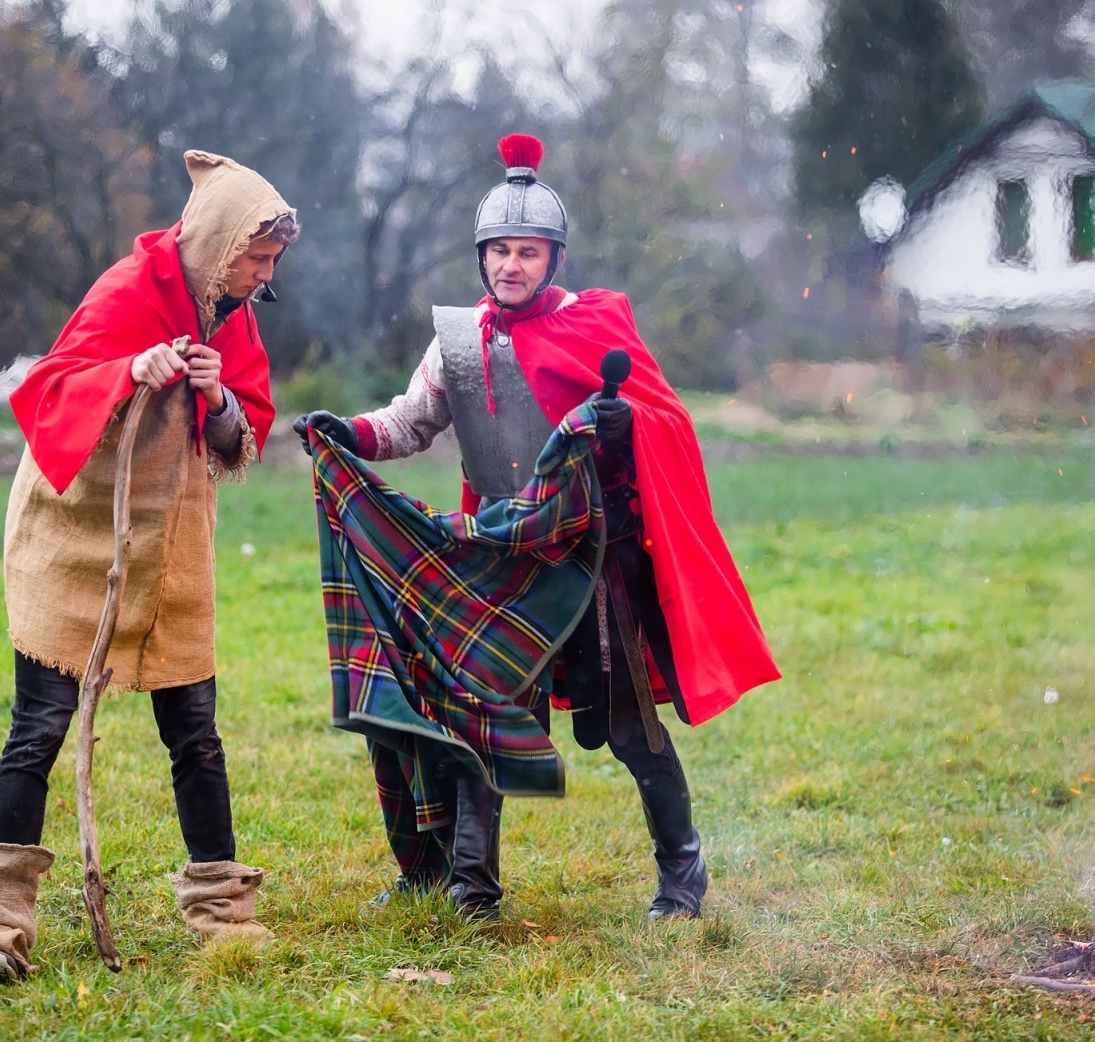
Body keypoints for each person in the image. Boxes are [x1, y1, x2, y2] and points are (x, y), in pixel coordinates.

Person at [295, 134, 779, 922]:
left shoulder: (596, 326)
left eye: (526, 252)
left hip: (591, 563)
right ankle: (471, 888)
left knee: (628, 728)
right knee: (478, 717)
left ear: (553, 258)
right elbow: (412, 421)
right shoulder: (460, 340)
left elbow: (667, 420)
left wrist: (625, 426)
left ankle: (682, 874)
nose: (510, 266)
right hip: (499, 558)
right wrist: (348, 433)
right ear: (481, 256)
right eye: (499, 251)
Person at [0, 151, 291, 982]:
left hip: (171, 550)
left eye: (272, 260)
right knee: (39, 726)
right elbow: (50, 388)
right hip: (73, 539)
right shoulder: (128, 290)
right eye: (256, 257)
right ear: (218, 242)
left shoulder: (232, 316)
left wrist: (218, 396)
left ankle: (224, 914)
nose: (264, 274)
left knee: (196, 733)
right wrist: (128, 370)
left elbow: (240, 435)